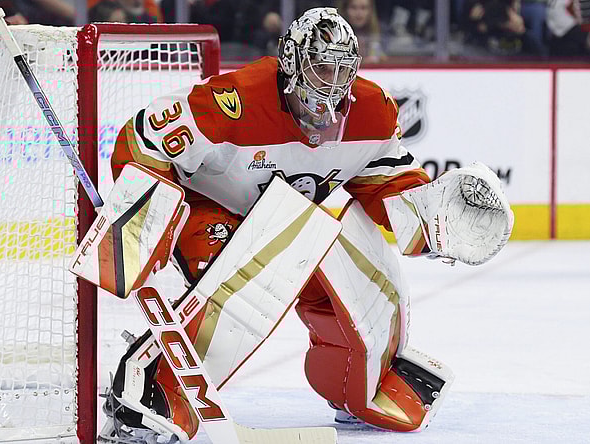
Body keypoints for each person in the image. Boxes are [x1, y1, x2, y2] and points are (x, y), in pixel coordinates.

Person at [100, 7, 479, 443]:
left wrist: (431, 216)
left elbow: (384, 182)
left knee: (365, 277)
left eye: (342, 70)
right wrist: (147, 216)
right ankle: (149, 393)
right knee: (247, 281)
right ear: (293, 62)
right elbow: (142, 139)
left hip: (289, 222)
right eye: (321, 67)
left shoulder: (371, 110)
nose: (332, 83)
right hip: (209, 208)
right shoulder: (235, 100)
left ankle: (361, 384)